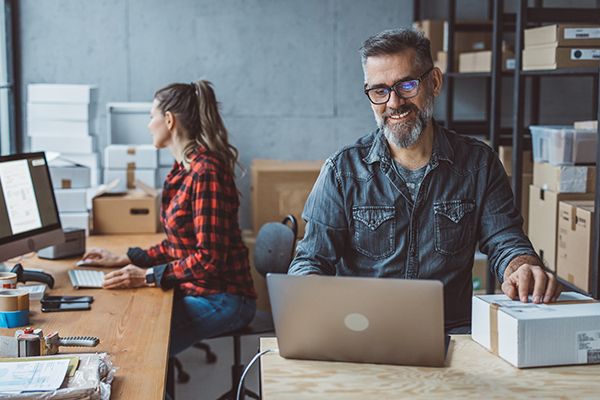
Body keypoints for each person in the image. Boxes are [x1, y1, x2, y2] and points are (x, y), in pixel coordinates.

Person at [288, 28, 561, 333]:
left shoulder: (479, 164)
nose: (393, 103)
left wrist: (522, 268)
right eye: (379, 90)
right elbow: (311, 260)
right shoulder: (342, 171)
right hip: (364, 334)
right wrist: (312, 293)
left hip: (450, 333)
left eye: (407, 85)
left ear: (434, 82)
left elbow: (505, 241)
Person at [80, 80, 256, 354]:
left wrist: (147, 276)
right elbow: (180, 245)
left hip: (224, 298)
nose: (149, 124)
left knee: (140, 340)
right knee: (134, 314)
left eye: (152, 117)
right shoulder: (182, 169)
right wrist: (128, 258)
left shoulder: (205, 172)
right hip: (200, 290)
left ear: (169, 120)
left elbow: (208, 259)